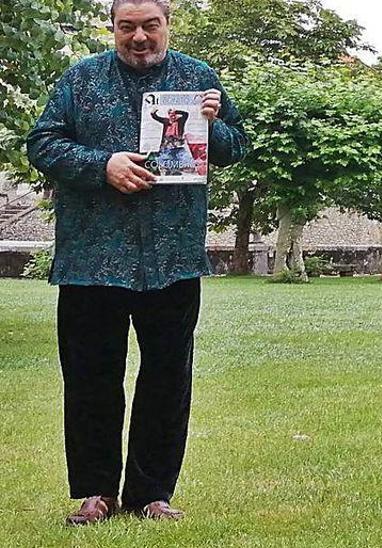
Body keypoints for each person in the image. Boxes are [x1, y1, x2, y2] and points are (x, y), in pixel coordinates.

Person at [25, 0, 249, 526]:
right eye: (128, 27)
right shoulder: (80, 79)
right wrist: (102, 164)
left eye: (151, 25)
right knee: (90, 378)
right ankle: (96, 491)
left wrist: (213, 127)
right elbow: (42, 142)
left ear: (168, 25)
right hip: (91, 258)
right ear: (113, 29)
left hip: (173, 256)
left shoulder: (199, 78)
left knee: (167, 378)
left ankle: (152, 492)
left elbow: (237, 147)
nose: (140, 37)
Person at [151, 108, 194, 175]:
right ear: (168, 115)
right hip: (167, 144)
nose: (173, 117)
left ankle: (178, 172)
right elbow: (155, 117)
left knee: (183, 160)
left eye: (174, 115)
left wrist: (176, 111)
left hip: (178, 144)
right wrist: (154, 111)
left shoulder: (180, 120)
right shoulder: (166, 121)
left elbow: (186, 114)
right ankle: (168, 172)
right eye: (171, 115)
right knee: (166, 160)